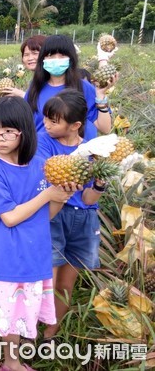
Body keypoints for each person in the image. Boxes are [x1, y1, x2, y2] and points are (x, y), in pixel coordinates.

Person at [0, 96, 73, 371]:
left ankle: (13, 363)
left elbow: (46, 215)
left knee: (16, 317)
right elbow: (10, 218)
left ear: (24, 132)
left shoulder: (40, 165)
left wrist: (61, 196)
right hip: (4, 263)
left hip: (33, 258)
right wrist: (46, 195)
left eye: (8, 131)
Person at [35, 89, 109, 343]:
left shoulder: (92, 150)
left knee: (65, 285)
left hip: (85, 219)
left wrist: (99, 184)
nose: (46, 124)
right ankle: (27, 334)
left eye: (54, 121)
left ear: (76, 125)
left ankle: (49, 335)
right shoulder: (43, 141)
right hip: (55, 214)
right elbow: (45, 176)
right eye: (46, 118)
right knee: (46, 281)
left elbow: (88, 199)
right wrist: (68, 181)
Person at [25, 35, 114, 141]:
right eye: (50, 55)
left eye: (62, 56)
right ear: (43, 59)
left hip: (77, 155)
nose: (56, 60)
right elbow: (25, 123)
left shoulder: (83, 87)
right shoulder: (35, 88)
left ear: (71, 59)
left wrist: (100, 95)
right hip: (42, 152)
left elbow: (105, 128)